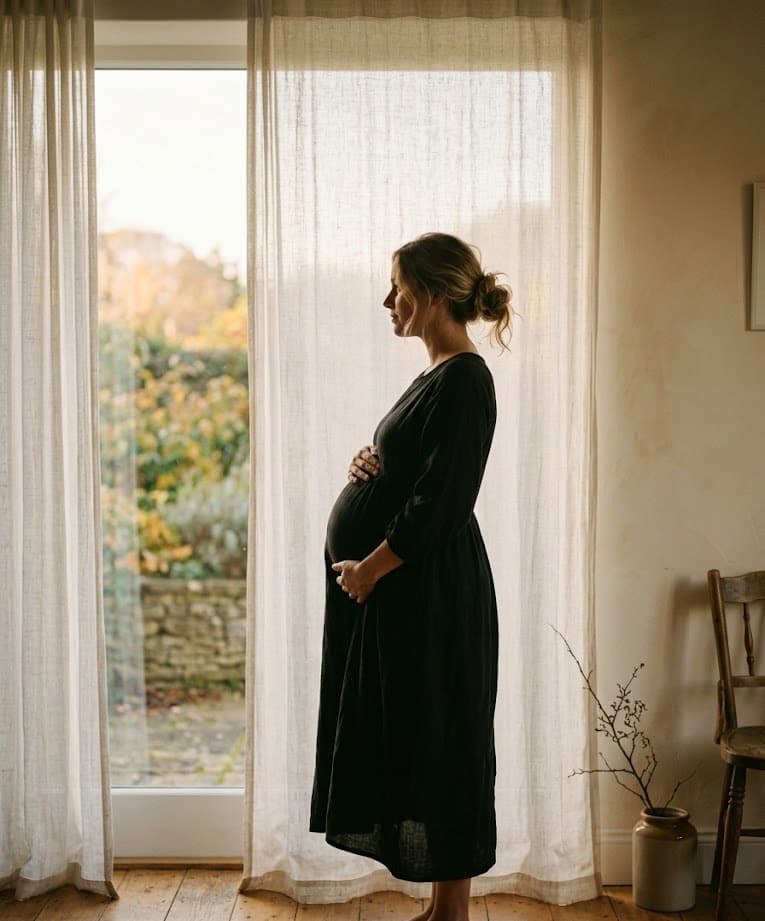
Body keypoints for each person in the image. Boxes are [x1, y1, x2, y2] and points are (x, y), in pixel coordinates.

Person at [309, 232, 512, 921]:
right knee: (424, 734)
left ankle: (451, 912)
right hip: (411, 591)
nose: (387, 300)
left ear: (429, 295)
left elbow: (444, 499)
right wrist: (371, 465)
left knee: (444, 736)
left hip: (432, 591)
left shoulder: (466, 377)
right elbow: (415, 473)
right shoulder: (434, 376)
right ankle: (440, 907)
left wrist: (369, 566)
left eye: (396, 286)